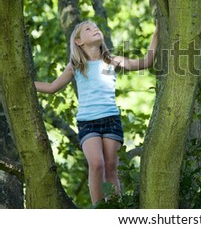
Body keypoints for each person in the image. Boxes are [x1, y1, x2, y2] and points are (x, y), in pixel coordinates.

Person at [34, 20, 158, 205]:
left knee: (110, 168)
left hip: (111, 121)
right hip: (88, 123)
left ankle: (115, 209)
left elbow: (147, 62)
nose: (95, 29)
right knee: (97, 163)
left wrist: (157, 32)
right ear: (78, 42)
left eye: (96, 27)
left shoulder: (112, 61)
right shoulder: (76, 66)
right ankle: (98, 209)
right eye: (88, 29)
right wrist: (22, 83)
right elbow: (52, 87)